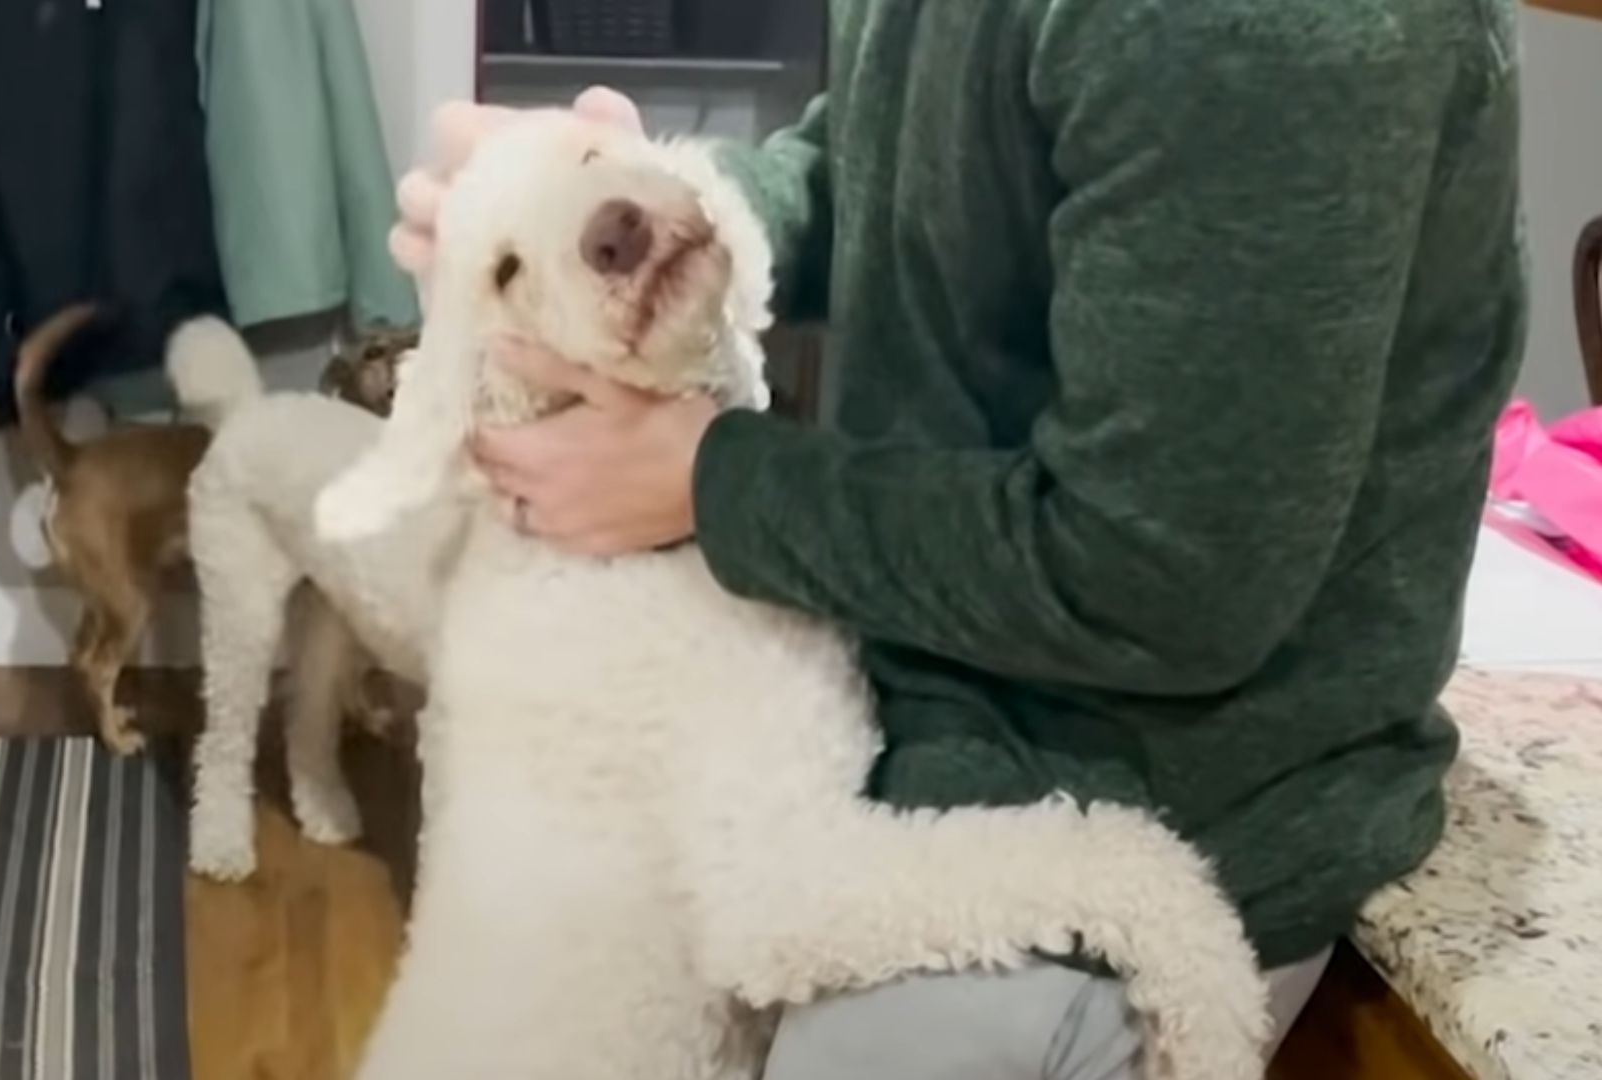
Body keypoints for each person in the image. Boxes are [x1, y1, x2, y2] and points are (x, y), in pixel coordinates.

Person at [389, 0, 1524, 1072]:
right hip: (932, 689)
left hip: (1145, 797)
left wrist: (711, 483)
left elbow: (1154, 578)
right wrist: (685, 209)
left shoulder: (1258, 34)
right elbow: (895, 164)